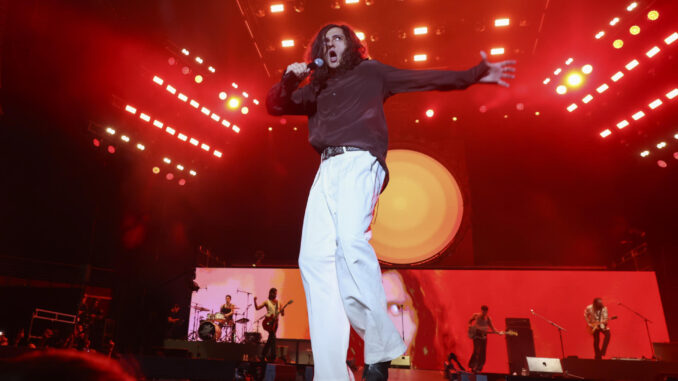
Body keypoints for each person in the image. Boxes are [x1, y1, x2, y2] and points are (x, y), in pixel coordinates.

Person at [266, 23, 515, 381]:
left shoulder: (371, 72)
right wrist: (289, 81)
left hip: (360, 162)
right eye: (325, 40)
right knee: (314, 262)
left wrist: (471, 75)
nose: (330, 43)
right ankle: (332, 375)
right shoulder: (315, 88)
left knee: (351, 242)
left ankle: (380, 349)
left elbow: (422, 78)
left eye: (337, 38)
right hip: (327, 169)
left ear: (350, 45)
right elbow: (274, 105)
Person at [254, 288, 283, 362]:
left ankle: (263, 355)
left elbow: (282, 314)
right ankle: (273, 356)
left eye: (276, 293)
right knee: (273, 337)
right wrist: (255, 301)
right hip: (268, 322)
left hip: (276, 323)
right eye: (274, 293)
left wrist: (282, 311)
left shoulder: (279, 303)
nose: (275, 295)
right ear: (270, 293)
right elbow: (257, 308)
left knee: (271, 338)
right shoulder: (266, 302)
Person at [467, 305, 497, 373]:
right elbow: (469, 321)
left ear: (487, 311)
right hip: (477, 336)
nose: (484, 313)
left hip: (484, 337)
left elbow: (492, 327)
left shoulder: (488, 318)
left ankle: (478, 368)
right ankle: (472, 366)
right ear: (481, 310)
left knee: (482, 353)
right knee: (477, 351)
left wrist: (497, 332)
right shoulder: (476, 315)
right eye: (483, 311)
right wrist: (470, 326)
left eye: (485, 312)